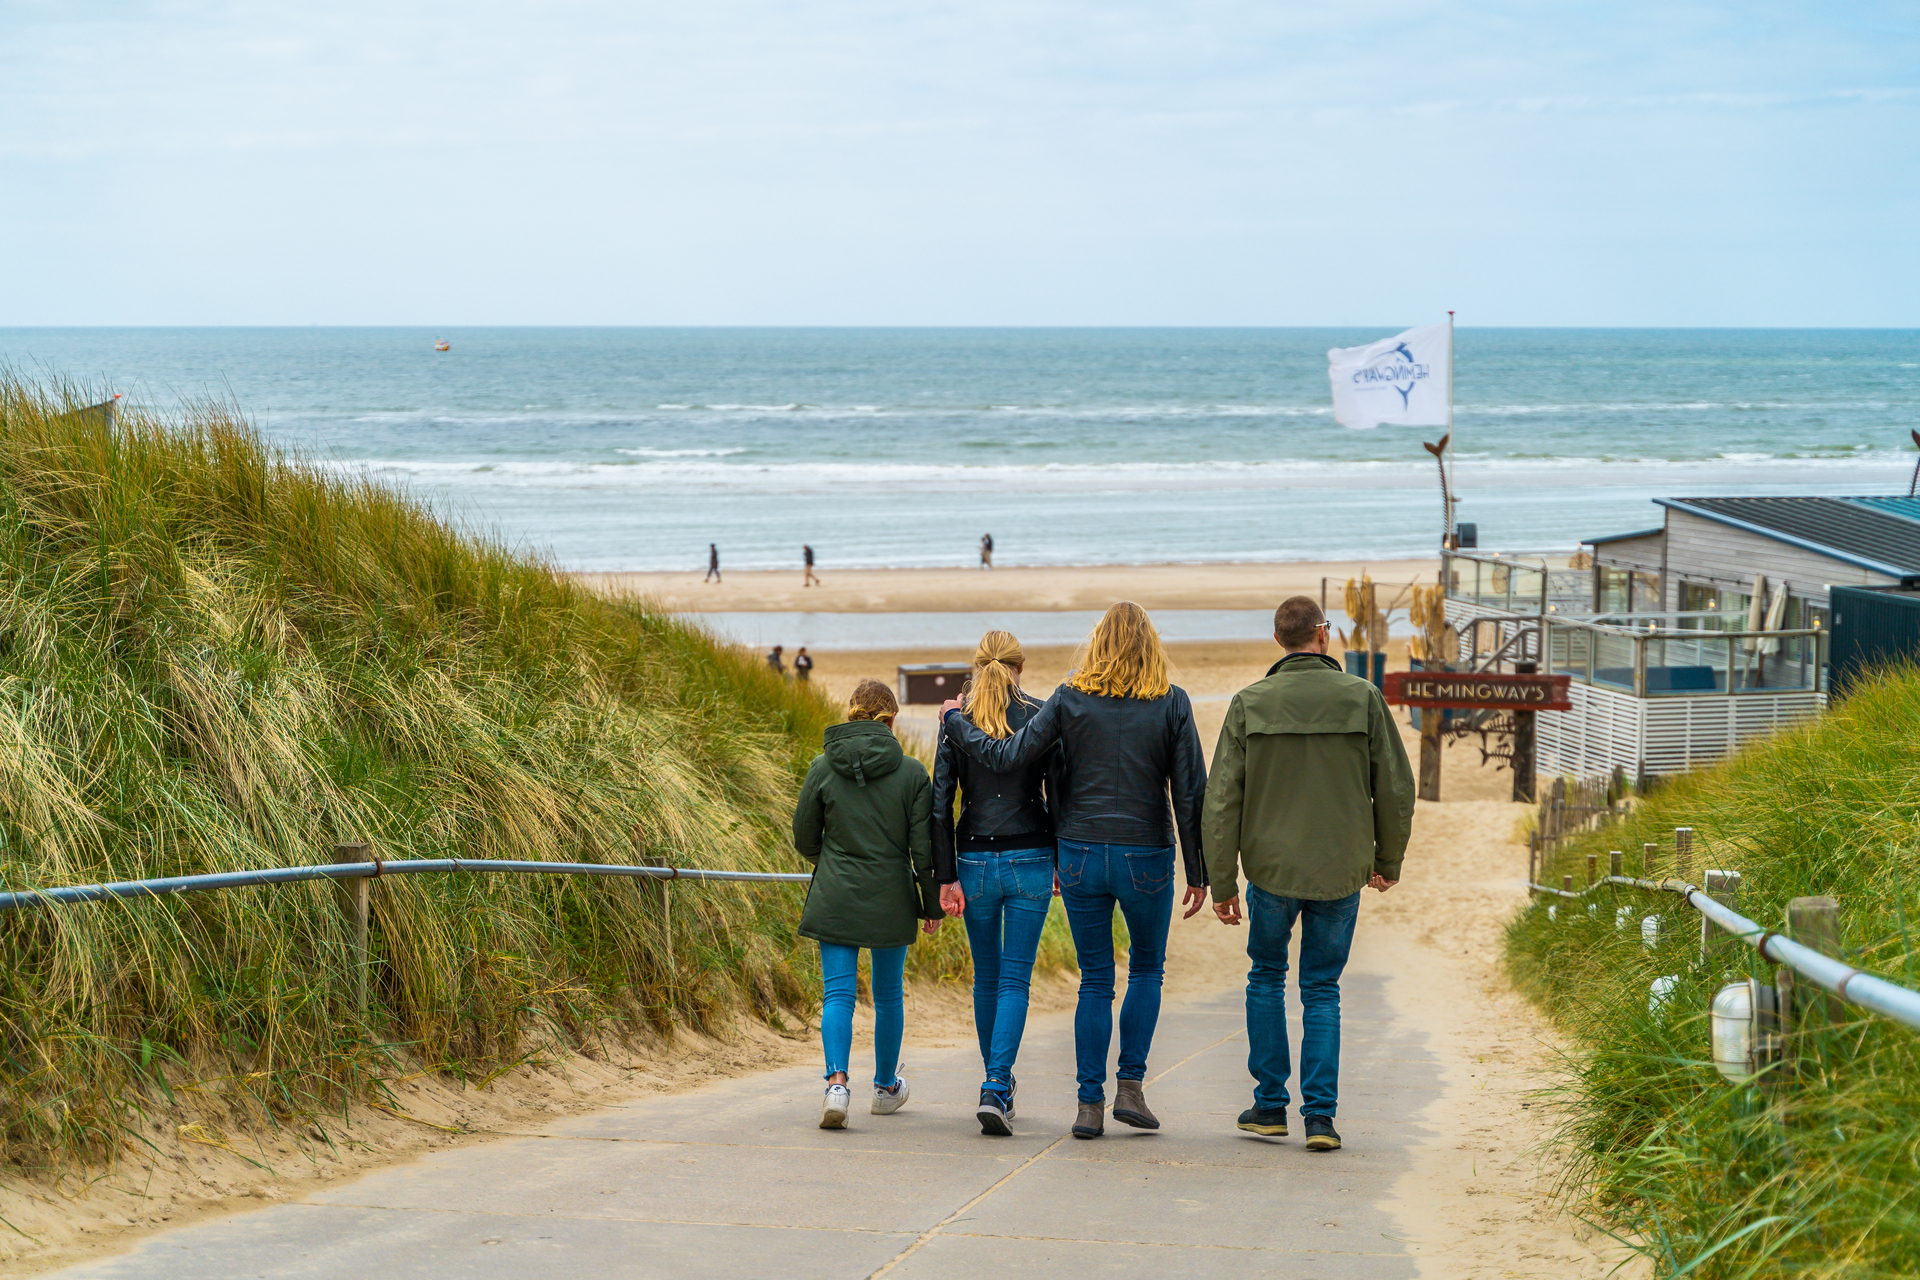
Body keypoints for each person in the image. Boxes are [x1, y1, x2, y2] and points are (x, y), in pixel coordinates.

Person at [941, 602, 1207, 1140]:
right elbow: (1190, 793)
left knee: (1095, 979)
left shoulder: (1068, 698)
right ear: (1151, 646)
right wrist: (1201, 873)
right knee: (1147, 969)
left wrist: (953, 721)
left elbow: (1006, 753)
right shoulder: (1172, 703)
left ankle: (1089, 1104)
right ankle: (1129, 1086)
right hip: (1146, 852)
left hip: (1081, 853)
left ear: (1097, 644)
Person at [1202, 596, 1415, 1153]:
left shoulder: (1250, 702)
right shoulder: (1363, 697)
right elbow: (1395, 786)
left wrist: (1222, 883)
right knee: (1322, 988)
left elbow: (1220, 800)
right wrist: (1387, 860)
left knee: (1267, 978)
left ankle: (1270, 1106)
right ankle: (1320, 1119)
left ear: (1279, 641)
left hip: (1270, 869)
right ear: (1323, 635)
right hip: (1341, 868)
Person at [792, 679, 943, 1129]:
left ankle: (837, 1085)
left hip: (836, 894)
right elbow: (923, 851)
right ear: (891, 720)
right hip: (891, 895)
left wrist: (834, 861)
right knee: (888, 994)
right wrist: (931, 905)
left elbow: (804, 838)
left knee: (838, 992)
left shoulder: (823, 766)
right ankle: (884, 1087)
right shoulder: (913, 773)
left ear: (852, 714)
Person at [933, 631, 1060, 1135]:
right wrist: (1061, 857)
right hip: (1031, 853)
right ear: (1019, 668)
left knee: (986, 978)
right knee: (1014, 979)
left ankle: (997, 1085)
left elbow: (940, 803)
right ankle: (995, 1084)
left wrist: (945, 876)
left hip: (974, 860)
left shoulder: (953, 721)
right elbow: (1061, 790)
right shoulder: (1041, 712)